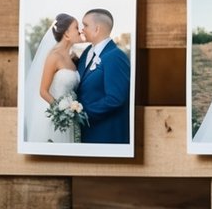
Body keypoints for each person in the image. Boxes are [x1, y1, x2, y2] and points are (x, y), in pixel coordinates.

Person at [22, 13, 82, 143]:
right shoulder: (54, 57)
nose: (80, 31)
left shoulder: (72, 58)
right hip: (55, 117)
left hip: (70, 115)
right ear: (66, 34)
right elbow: (43, 91)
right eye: (76, 28)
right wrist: (62, 112)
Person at [77, 8, 131, 144]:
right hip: (86, 134)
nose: (82, 29)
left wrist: (81, 115)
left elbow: (115, 98)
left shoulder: (115, 57)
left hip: (105, 135)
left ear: (97, 29)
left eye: (85, 25)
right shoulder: (87, 52)